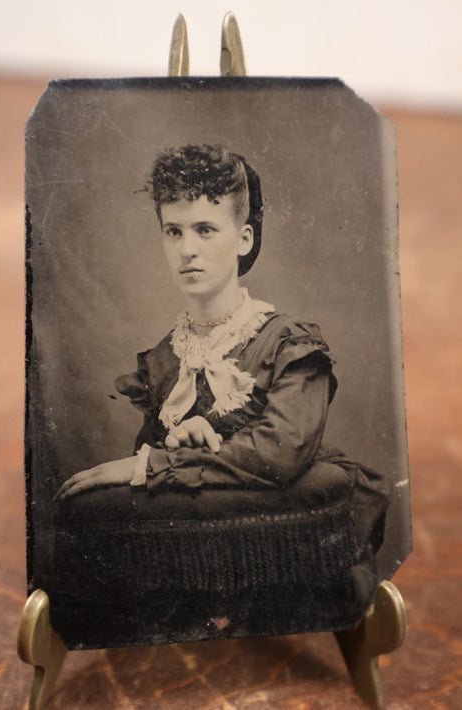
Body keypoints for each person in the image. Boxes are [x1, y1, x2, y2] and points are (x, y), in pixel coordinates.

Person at [55, 144, 388, 548]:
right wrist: (179, 442)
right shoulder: (163, 360)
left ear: (244, 239)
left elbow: (279, 454)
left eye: (205, 230)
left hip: (285, 538)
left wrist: (158, 460)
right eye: (173, 231)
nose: (186, 249)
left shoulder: (288, 343)